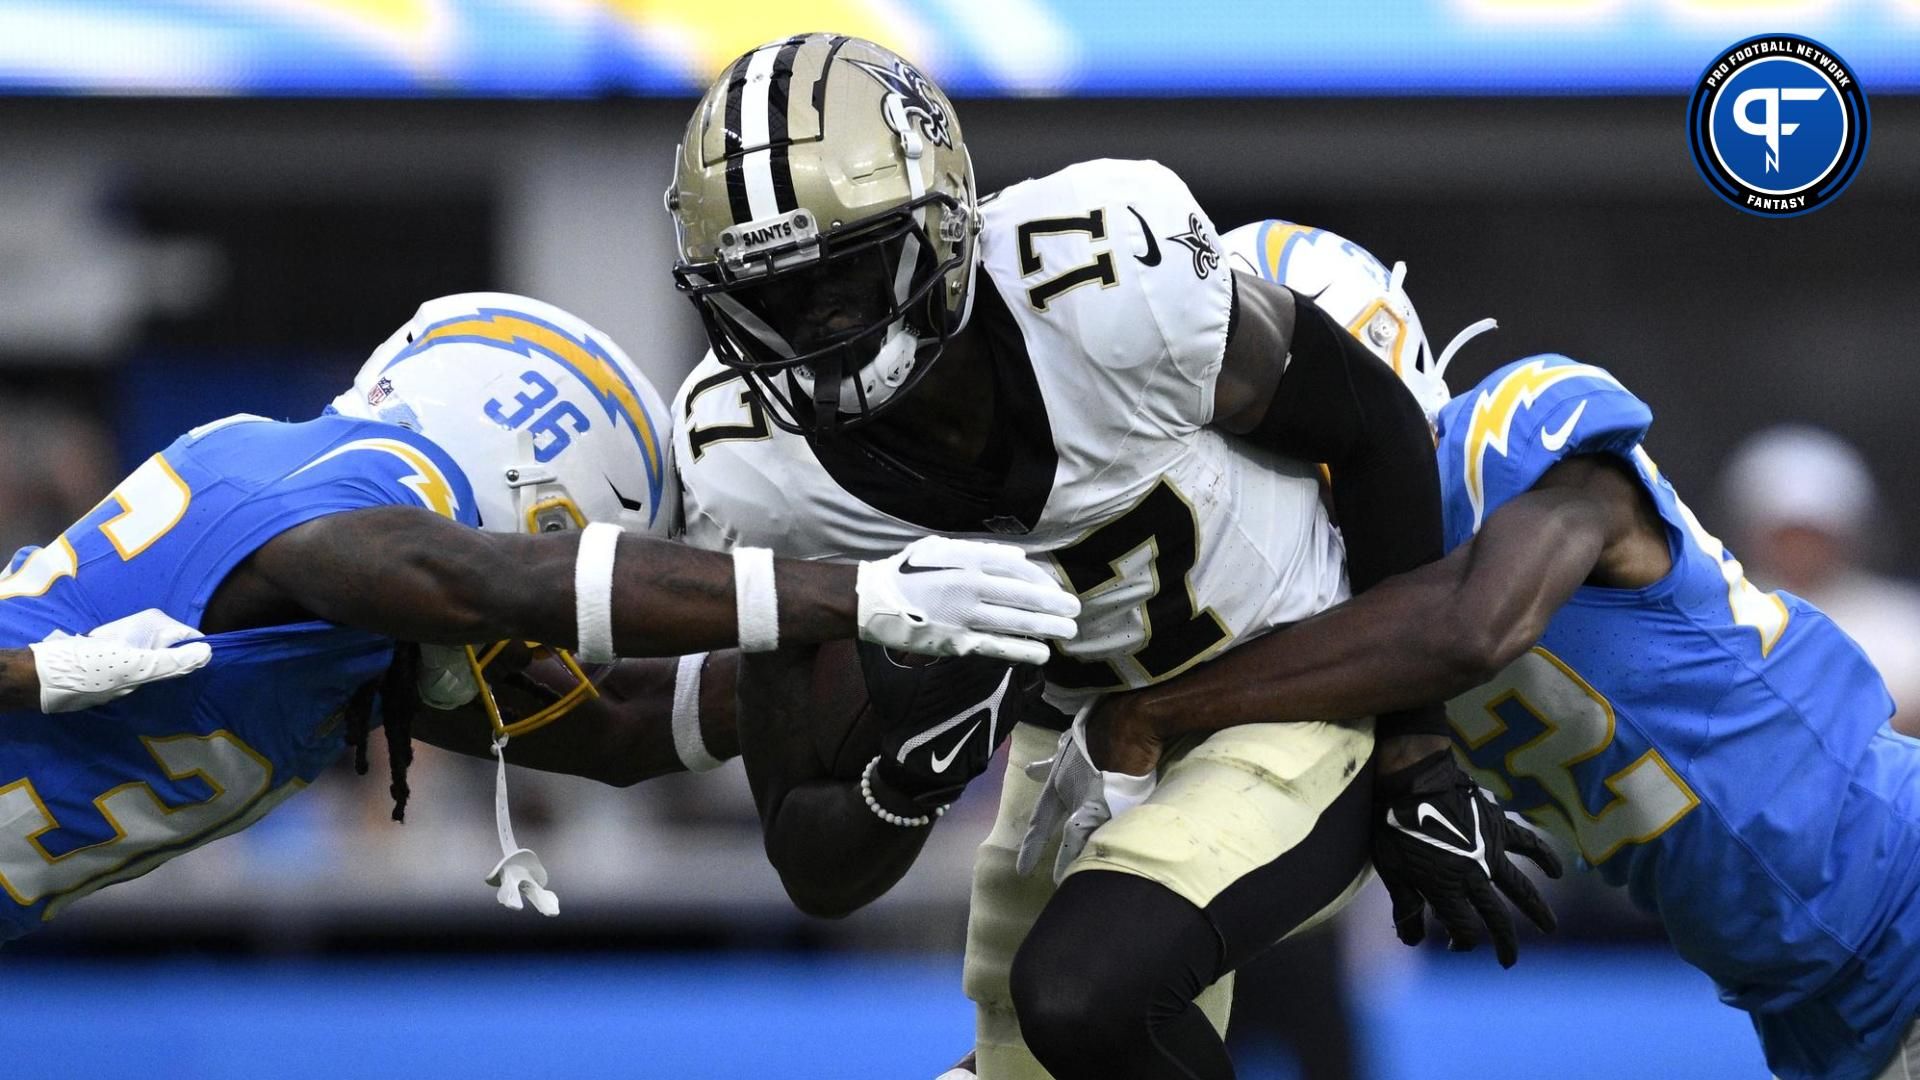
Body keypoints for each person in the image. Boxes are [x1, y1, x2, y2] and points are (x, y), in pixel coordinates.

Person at [662, 35, 1555, 1080]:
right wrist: (918, 766)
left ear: (946, 227)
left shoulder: (1100, 275)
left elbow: (1377, 430)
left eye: (848, 279)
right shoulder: (747, 464)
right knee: (1035, 1051)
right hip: (1076, 747)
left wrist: (1416, 753)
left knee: (1086, 995)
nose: (817, 334)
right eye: (769, 300)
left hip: (1295, 688)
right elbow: (813, 859)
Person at [1074, 224, 1920, 1080]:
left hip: (1901, 887)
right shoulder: (1327, 608)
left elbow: (1472, 628)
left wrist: (1156, 710)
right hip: (1814, 1004)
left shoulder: (1512, 434)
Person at [0, 290, 1080, 943]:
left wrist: (883, 637)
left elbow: (615, 727)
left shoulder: (373, 602)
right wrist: (865, 596)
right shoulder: (342, 502)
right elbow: (492, 584)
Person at [1722, 424, 1920, 734]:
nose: (1801, 549)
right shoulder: (1720, 615)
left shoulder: (1902, 621)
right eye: (1787, 536)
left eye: (1814, 535)